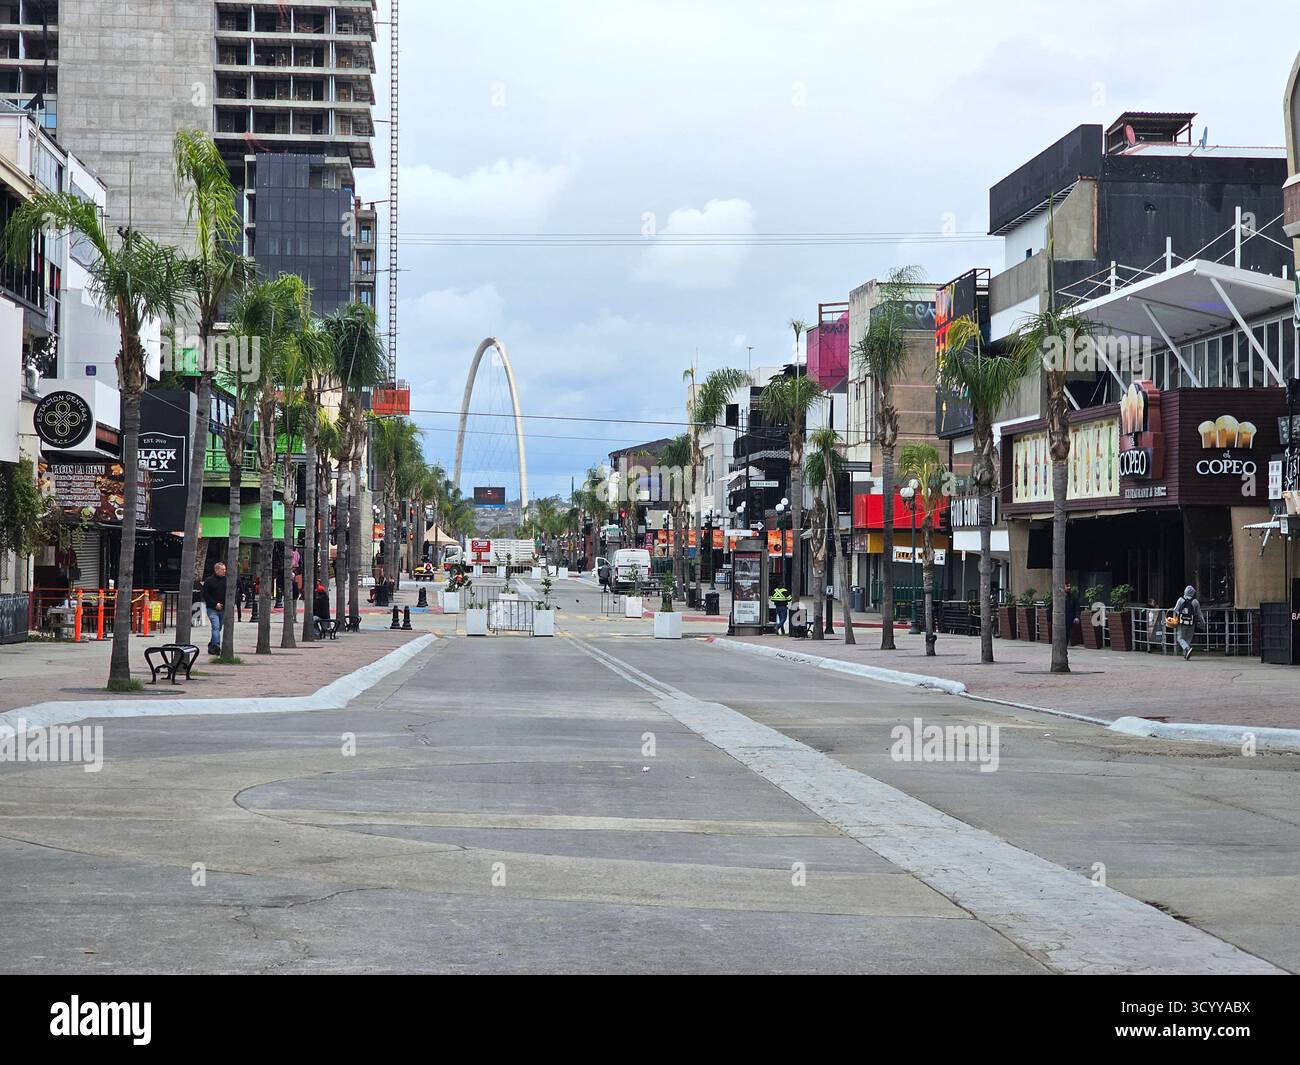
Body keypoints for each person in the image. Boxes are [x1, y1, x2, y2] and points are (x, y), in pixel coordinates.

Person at [1173, 584, 1205, 660]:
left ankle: (1187, 649)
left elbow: (1175, 609)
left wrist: (1177, 617)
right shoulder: (1195, 601)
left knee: (1180, 638)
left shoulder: (1181, 600)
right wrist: (1203, 623)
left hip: (1182, 622)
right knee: (1188, 638)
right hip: (1192, 623)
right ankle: (1186, 654)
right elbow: (1199, 613)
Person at [202, 563, 227, 656]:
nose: (224, 571)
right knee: (215, 626)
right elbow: (205, 594)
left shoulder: (226, 580)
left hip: (223, 608)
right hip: (212, 608)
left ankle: (211, 646)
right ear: (216, 570)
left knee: (218, 628)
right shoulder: (209, 581)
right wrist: (215, 604)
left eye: (225, 569)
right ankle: (216, 646)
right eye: (222, 569)